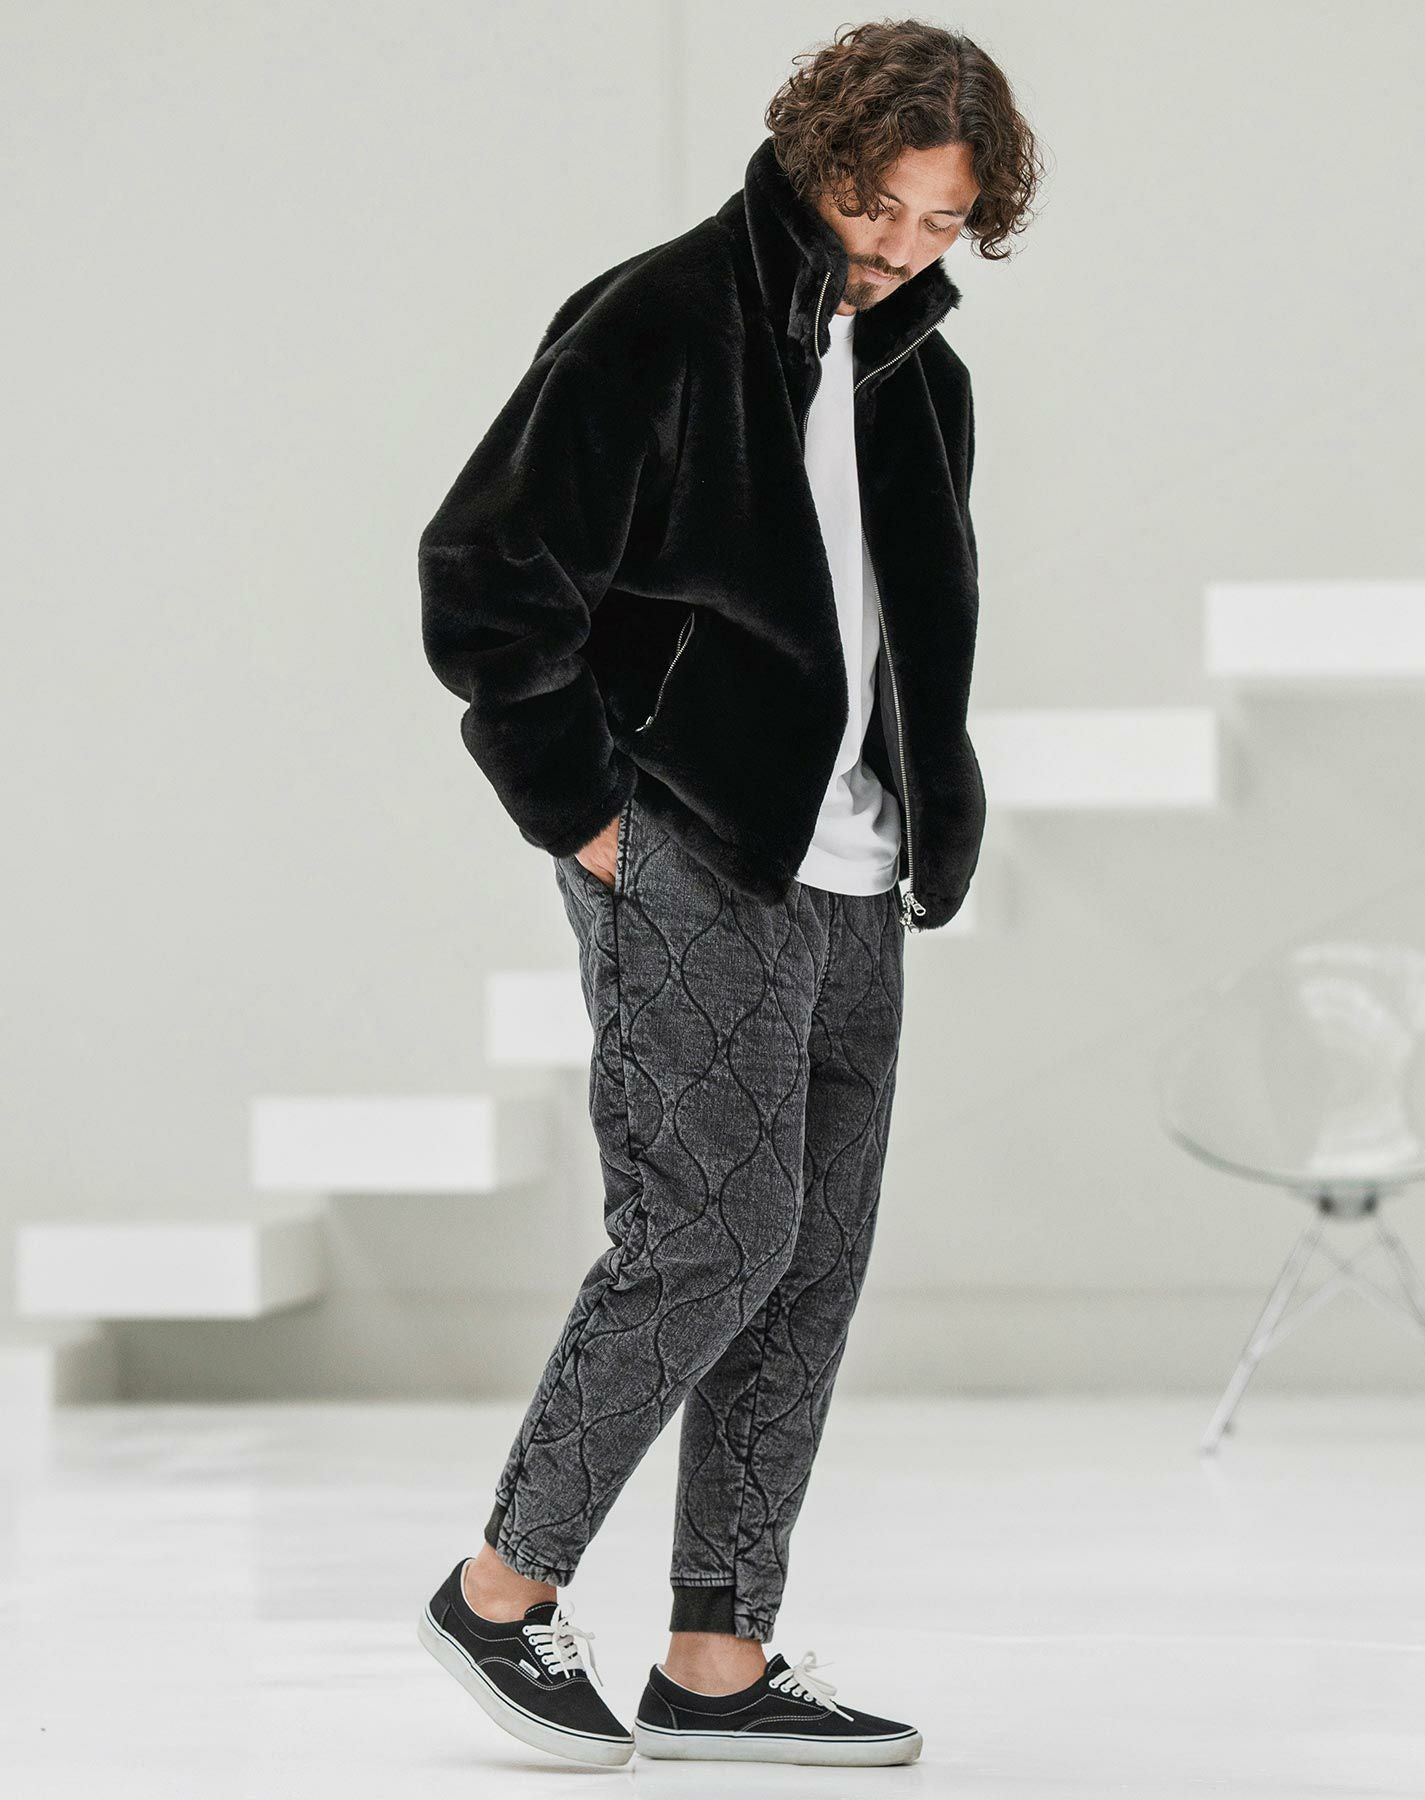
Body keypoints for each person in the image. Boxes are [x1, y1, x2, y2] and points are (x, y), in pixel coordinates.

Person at [414, 17, 1038, 1770]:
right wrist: (580, 808)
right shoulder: (661, 317)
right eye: (878, 205)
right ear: (818, 156)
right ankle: (499, 1592)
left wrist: (928, 815)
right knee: (713, 1233)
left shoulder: (921, 377)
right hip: (690, 841)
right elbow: (484, 570)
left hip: (857, 862)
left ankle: (716, 1656)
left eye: (940, 221)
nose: (901, 246)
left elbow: (909, 630)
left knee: (812, 1259)